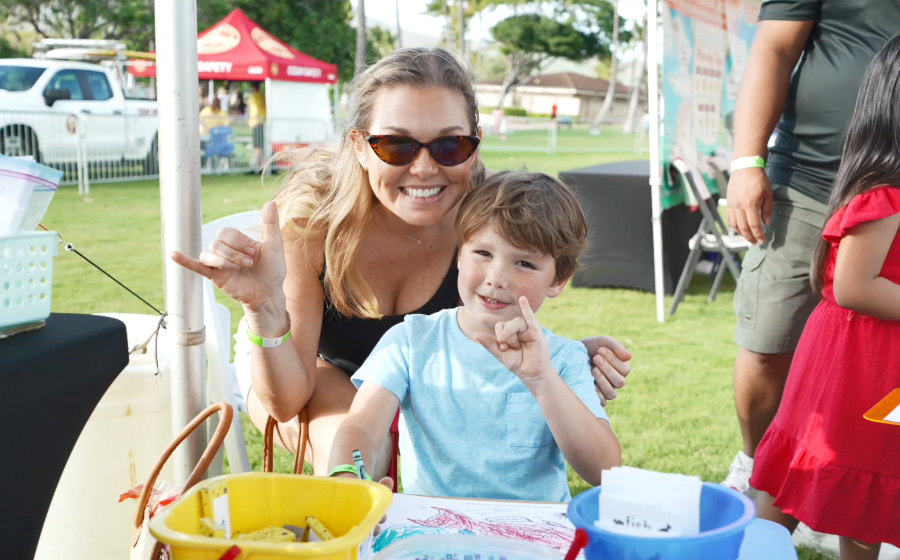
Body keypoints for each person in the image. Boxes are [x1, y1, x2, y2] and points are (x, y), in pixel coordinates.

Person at [170, 47, 632, 477]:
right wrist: (264, 309)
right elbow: (287, 400)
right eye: (396, 145)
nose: (425, 168)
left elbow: (503, 309)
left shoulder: (486, 217)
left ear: (475, 142)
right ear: (358, 145)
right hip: (295, 355)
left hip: (416, 370)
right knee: (357, 459)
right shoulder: (314, 220)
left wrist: (564, 356)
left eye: (450, 146)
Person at [327, 171, 621, 500]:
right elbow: (362, 426)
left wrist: (542, 380)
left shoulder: (564, 360)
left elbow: (604, 470)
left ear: (559, 279)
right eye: (483, 253)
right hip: (432, 535)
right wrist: (347, 475)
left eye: (523, 262)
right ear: (458, 253)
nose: (496, 277)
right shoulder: (410, 342)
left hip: (531, 541)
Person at [722, 0, 900, 494]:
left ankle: (852, 484)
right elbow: (775, 46)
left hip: (895, 194)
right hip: (809, 179)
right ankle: (759, 468)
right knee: (767, 344)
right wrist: (745, 163)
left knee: (881, 365)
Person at [248, 81, 266, 169]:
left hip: (256, 123)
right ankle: (263, 165)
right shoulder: (263, 96)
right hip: (263, 122)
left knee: (257, 146)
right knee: (261, 146)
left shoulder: (253, 97)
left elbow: (252, 108)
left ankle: (258, 167)